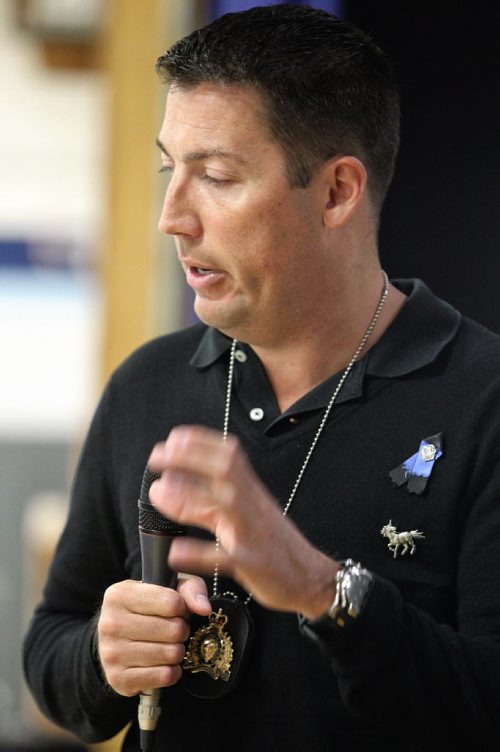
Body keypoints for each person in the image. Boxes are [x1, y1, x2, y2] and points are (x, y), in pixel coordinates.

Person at [23, 5, 500, 751]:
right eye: (167, 169)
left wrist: (323, 592)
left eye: (215, 176)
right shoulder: (147, 384)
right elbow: (54, 650)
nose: (172, 217)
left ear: (338, 191)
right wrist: (103, 657)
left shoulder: (484, 399)